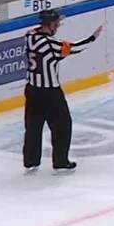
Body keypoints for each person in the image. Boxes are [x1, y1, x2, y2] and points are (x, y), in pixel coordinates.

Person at [23, 9, 103, 173]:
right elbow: (75, 48)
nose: (58, 26)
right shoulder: (50, 44)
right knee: (62, 125)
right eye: (56, 23)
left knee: (33, 126)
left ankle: (30, 160)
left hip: (32, 90)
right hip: (50, 93)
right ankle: (60, 161)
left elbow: (41, 38)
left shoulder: (30, 36)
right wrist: (93, 37)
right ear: (50, 24)